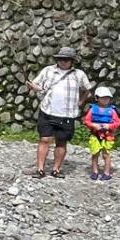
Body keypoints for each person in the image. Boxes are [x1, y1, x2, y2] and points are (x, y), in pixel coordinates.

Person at [27, 46, 94, 179]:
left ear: (72, 61)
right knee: (44, 139)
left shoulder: (79, 74)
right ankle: (40, 169)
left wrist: (81, 101)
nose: (63, 62)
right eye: (60, 59)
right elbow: (35, 84)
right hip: (48, 110)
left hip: (67, 114)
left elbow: (88, 89)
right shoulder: (48, 70)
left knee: (62, 142)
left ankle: (56, 169)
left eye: (66, 60)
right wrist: (33, 87)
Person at [83, 87, 120, 182]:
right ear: (97, 98)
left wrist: (109, 126)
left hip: (108, 136)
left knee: (106, 154)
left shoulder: (112, 110)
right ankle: (95, 171)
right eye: (103, 98)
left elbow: (117, 122)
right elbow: (87, 121)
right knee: (95, 153)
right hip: (95, 135)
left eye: (107, 98)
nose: (105, 100)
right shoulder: (93, 110)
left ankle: (106, 172)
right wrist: (93, 125)